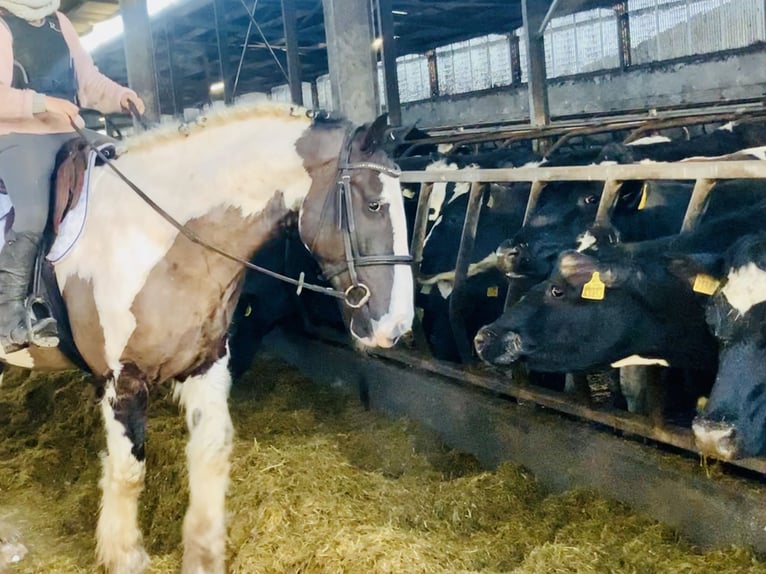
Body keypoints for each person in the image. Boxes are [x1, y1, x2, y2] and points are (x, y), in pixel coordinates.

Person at [0, 0, 144, 352]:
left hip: (69, 130)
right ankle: (9, 317)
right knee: (33, 212)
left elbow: (88, 81)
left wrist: (120, 95)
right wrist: (42, 103)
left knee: (133, 169)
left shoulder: (59, 21)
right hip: (18, 135)